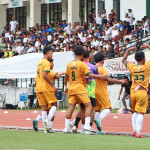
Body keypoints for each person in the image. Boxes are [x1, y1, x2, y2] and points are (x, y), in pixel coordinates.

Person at [63, 45, 108, 134]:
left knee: (71, 108)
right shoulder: (82, 64)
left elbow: (66, 76)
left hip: (71, 88)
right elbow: (90, 75)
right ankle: (87, 126)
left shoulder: (69, 64)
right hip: (80, 88)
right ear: (82, 54)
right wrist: (102, 76)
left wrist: (65, 87)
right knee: (89, 106)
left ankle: (66, 128)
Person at [122, 46, 150, 138]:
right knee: (140, 113)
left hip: (133, 93)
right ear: (144, 58)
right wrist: (148, 47)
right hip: (142, 92)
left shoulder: (132, 67)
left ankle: (134, 131)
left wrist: (128, 50)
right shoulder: (146, 67)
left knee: (134, 112)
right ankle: (138, 132)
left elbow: (124, 60)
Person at [94, 52, 125, 134]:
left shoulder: (93, 68)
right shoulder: (102, 69)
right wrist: (120, 81)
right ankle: (99, 119)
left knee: (97, 110)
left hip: (93, 91)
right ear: (102, 60)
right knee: (108, 108)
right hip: (101, 91)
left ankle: (99, 130)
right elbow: (109, 79)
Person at [70, 50, 99, 133]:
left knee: (83, 108)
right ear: (89, 57)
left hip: (81, 89)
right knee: (91, 108)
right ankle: (88, 127)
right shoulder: (93, 67)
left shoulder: (79, 65)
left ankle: (75, 124)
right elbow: (95, 76)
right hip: (90, 90)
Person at [33, 58, 64, 132]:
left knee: (45, 108)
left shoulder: (39, 71)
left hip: (39, 89)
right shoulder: (49, 71)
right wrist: (63, 73)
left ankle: (39, 121)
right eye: (52, 63)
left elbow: (35, 81)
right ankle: (48, 125)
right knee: (54, 106)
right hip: (47, 90)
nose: (53, 65)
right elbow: (57, 76)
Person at [36, 46, 58, 133]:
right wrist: (52, 86)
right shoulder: (46, 62)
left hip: (39, 87)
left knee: (44, 108)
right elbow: (45, 75)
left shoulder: (39, 62)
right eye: (52, 53)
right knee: (54, 105)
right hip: (45, 87)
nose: (52, 55)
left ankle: (46, 129)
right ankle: (48, 121)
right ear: (48, 53)